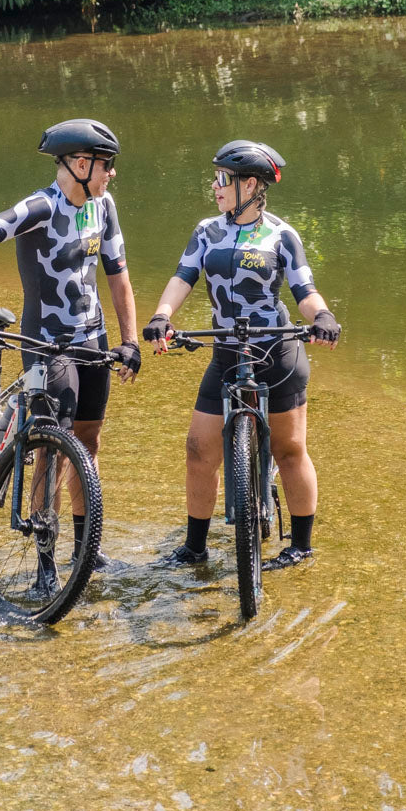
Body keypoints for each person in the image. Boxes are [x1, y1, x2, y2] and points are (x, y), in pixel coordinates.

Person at [0, 117, 140, 571]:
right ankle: (44, 561)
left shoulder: (104, 206)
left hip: (92, 340)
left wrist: (130, 340)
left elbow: (118, 276)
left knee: (88, 441)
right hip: (46, 343)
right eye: (105, 164)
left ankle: (85, 549)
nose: (111, 172)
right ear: (79, 163)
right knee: (51, 447)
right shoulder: (40, 208)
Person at [143, 139, 339, 570]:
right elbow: (183, 277)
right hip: (227, 351)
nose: (214, 187)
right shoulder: (206, 231)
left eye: (223, 180)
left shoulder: (282, 235)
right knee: (198, 448)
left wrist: (322, 315)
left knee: (289, 449)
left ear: (249, 185)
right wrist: (161, 315)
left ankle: (301, 545)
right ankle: (195, 547)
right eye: (214, 179)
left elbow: (304, 290)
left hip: (276, 352)